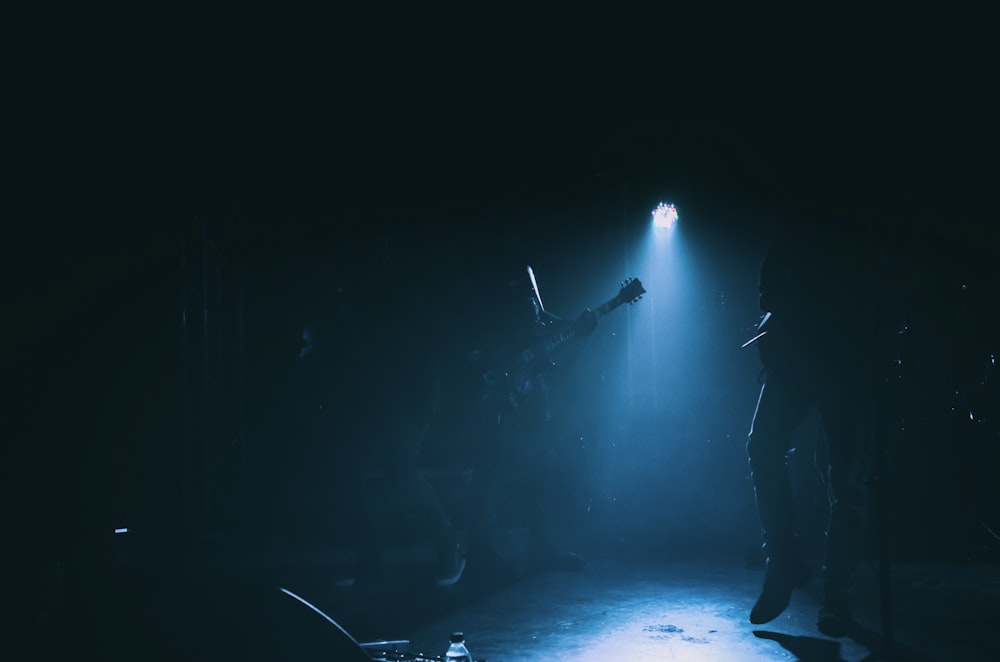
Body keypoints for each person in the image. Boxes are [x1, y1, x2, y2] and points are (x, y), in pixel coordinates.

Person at [745, 211, 878, 636]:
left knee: (846, 484)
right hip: (799, 356)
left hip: (848, 359)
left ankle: (836, 597)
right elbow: (769, 282)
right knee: (763, 446)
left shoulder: (867, 218)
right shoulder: (803, 210)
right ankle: (784, 563)